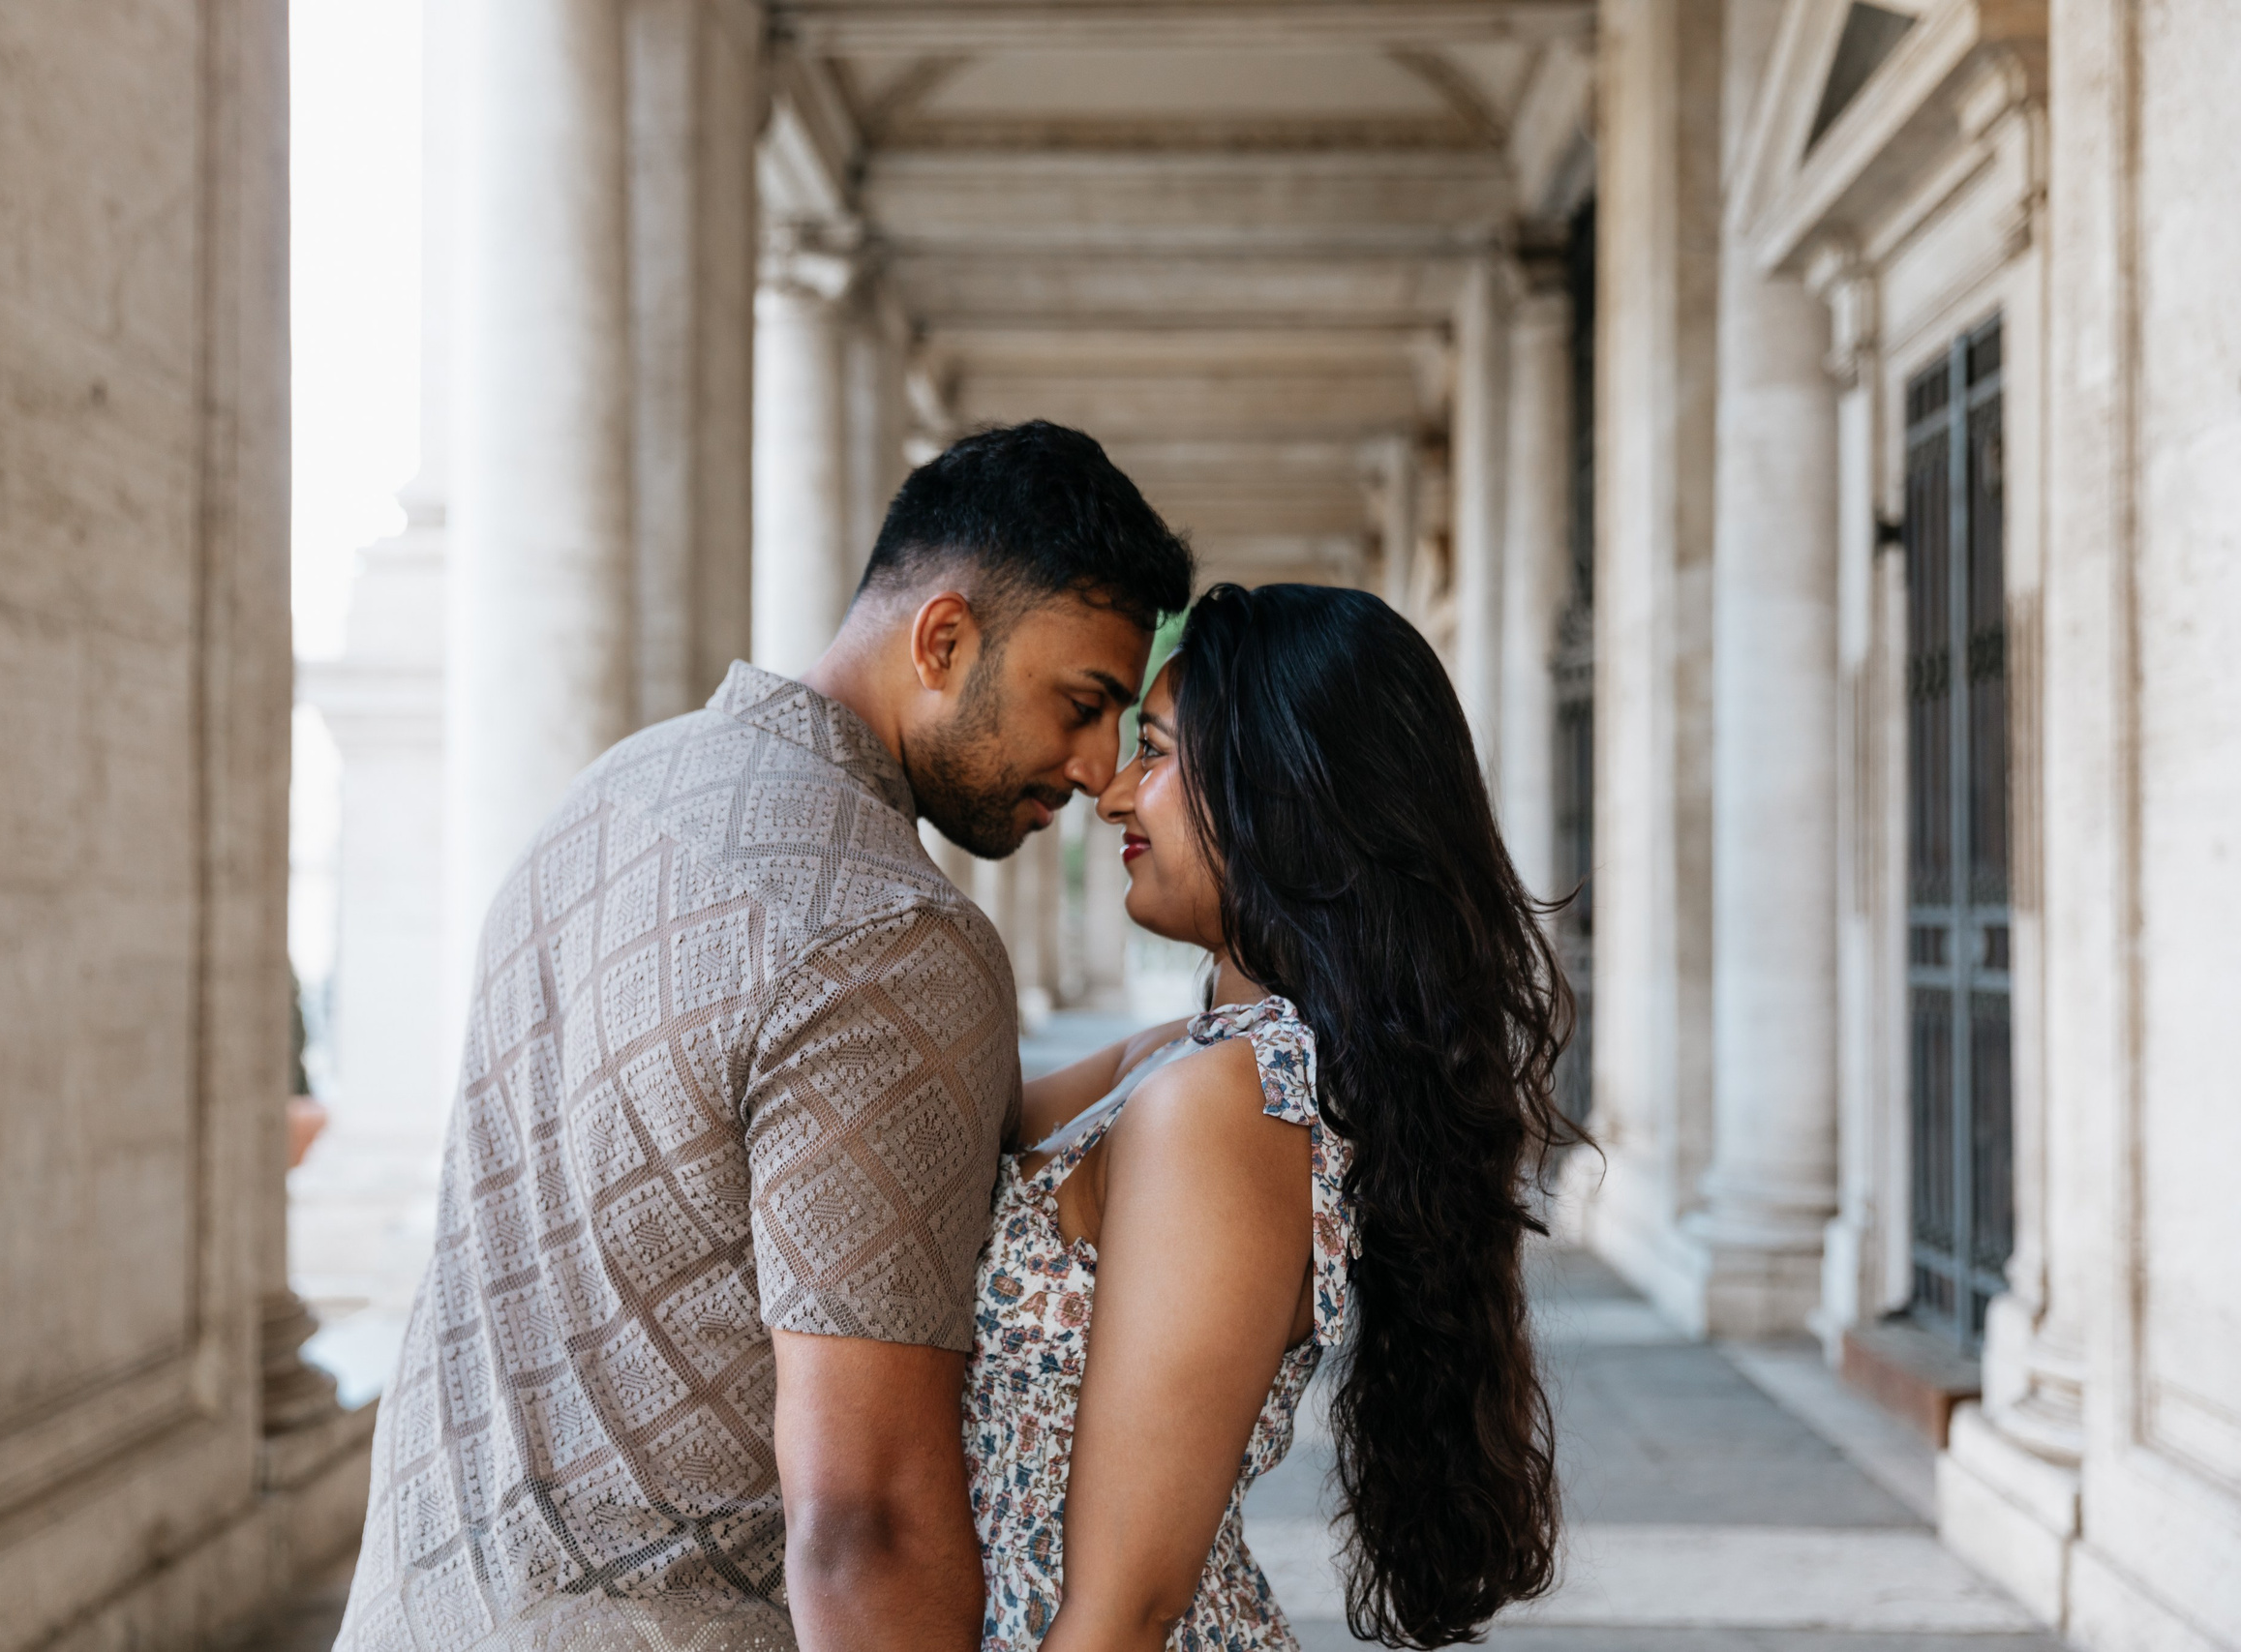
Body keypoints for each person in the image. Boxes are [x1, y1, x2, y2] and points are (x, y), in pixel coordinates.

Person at [330, 421, 1193, 1652]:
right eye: (1084, 701)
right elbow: (865, 1521)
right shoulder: (889, 931)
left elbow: (764, 1159)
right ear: (943, 639)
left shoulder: (609, 796)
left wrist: (1186, 1050)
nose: (1100, 767)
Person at [963, 582, 1579, 1651]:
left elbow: (1122, 1610)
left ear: (1280, 793)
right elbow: (943, 1139)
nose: (1112, 797)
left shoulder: (1226, 1102)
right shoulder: (1188, 1060)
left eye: (1152, 752)